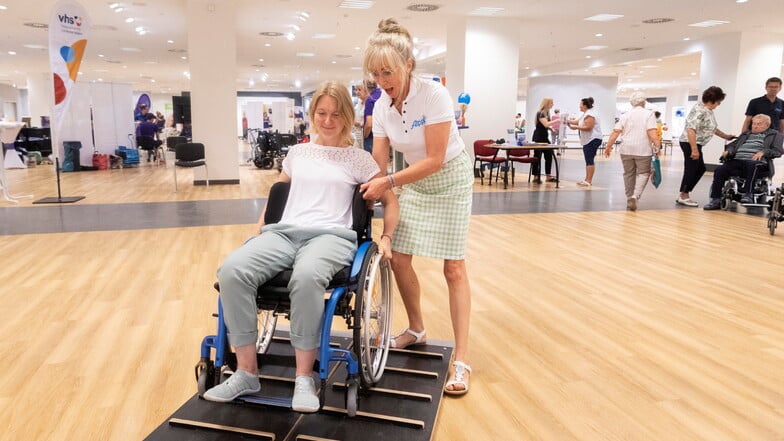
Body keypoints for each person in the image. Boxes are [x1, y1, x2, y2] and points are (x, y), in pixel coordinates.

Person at [202, 81, 399, 411]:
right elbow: (278, 196)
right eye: (321, 112)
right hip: (283, 234)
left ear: (348, 117)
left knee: (306, 277)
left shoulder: (360, 159)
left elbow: (391, 203)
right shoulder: (298, 152)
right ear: (312, 114)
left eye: (336, 113)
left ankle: (304, 378)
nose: (327, 119)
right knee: (232, 271)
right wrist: (259, 229)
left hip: (332, 237)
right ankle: (246, 372)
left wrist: (387, 238)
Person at [359, 18, 474, 396]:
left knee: (453, 268)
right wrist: (368, 184)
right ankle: (417, 328)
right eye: (376, 74)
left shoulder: (434, 95)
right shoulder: (380, 106)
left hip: (450, 180)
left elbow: (437, 158)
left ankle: (461, 358)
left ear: (408, 65)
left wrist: (389, 182)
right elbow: (378, 160)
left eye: (387, 71)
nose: (381, 81)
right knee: (399, 257)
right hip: (414, 182)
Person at [703, 114, 784, 210]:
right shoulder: (746, 134)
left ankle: (748, 194)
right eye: (754, 123)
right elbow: (733, 145)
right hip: (738, 161)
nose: (755, 126)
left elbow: (777, 151)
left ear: (767, 125)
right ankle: (715, 200)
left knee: (751, 164)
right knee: (720, 169)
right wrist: (729, 151)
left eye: (759, 124)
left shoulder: (775, 135)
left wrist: (763, 152)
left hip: (759, 163)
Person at [676, 86, 735, 207]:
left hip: (696, 143)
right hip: (690, 142)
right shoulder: (700, 110)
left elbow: (712, 128)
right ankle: (683, 195)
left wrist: (726, 136)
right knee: (691, 169)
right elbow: (691, 130)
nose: (719, 104)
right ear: (713, 100)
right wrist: (694, 149)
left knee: (700, 168)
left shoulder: (708, 111)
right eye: (718, 102)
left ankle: (684, 192)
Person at [603, 92, 661, 211]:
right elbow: (652, 132)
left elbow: (616, 132)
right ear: (643, 102)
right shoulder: (649, 114)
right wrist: (657, 146)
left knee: (628, 174)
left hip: (626, 149)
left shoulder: (625, 115)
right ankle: (635, 196)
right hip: (643, 149)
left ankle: (629, 197)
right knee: (644, 173)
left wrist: (608, 146)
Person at [567, 97, 602, 187]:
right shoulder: (585, 114)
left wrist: (576, 128)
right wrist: (566, 121)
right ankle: (587, 179)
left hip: (592, 139)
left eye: (581, 105)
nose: (579, 106)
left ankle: (588, 180)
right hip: (589, 140)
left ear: (585, 105)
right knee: (588, 159)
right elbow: (576, 122)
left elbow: (588, 127)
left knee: (589, 159)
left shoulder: (590, 114)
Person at [531, 97, 557, 183]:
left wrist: (550, 129)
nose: (553, 104)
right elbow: (545, 124)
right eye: (551, 103)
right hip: (539, 137)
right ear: (547, 103)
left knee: (549, 156)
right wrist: (556, 120)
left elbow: (546, 126)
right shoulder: (540, 113)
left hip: (544, 137)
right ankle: (535, 177)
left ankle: (548, 176)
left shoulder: (547, 113)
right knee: (537, 157)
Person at [362, 80, 381, 153]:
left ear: (365, 87)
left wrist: (365, 136)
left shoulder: (370, 99)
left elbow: (369, 123)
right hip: (384, 135)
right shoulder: (383, 96)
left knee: (371, 161)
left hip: (371, 136)